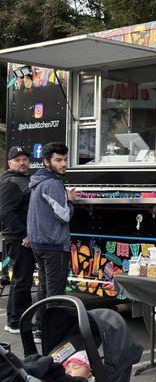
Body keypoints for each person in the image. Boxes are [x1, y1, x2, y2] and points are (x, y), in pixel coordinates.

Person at [27, 142, 75, 337]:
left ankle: (40, 327)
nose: (63, 164)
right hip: (53, 246)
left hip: (39, 244)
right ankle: (51, 334)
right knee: (55, 292)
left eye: (65, 159)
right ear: (46, 162)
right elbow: (64, 215)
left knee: (45, 288)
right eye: (58, 160)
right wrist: (70, 199)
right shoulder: (53, 184)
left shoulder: (37, 181)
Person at [0, 146, 34, 334]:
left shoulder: (22, 179)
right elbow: (5, 213)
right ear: (10, 163)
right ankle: (16, 322)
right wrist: (23, 235)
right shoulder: (10, 182)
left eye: (25, 159)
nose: (22, 162)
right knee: (22, 281)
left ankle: (14, 321)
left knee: (21, 280)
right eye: (18, 159)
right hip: (18, 239)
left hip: (21, 238)